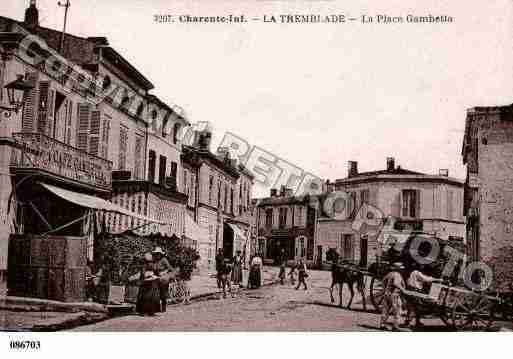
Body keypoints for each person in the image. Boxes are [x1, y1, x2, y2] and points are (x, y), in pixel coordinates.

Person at [379, 262, 406, 331]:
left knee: (385, 310)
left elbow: (383, 281)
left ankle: (382, 324)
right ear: (398, 269)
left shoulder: (390, 274)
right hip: (394, 295)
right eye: (401, 268)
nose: (402, 270)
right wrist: (403, 290)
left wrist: (384, 289)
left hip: (387, 294)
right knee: (397, 310)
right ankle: (395, 326)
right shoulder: (397, 274)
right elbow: (396, 283)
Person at [153, 247, 172, 312]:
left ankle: (163, 307)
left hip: (164, 279)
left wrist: (164, 272)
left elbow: (170, 268)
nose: (157, 255)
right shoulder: (155, 260)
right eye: (156, 254)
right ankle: (157, 308)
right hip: (157, 278)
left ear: (161, 254)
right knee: (156, 293)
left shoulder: (164, 260)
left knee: (163, 293)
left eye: (158, 254)